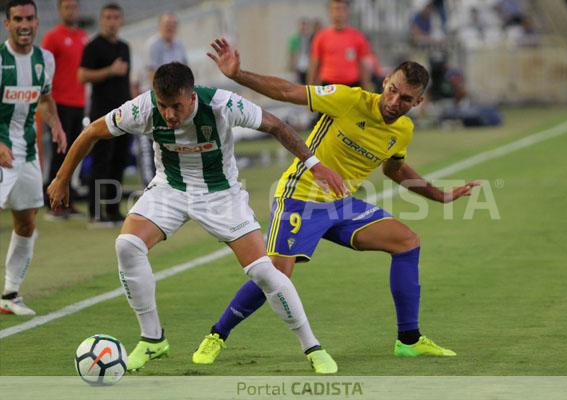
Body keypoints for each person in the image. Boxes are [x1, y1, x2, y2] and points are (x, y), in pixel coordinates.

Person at [194, 38, 479, 364]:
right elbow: (288, 92)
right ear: (385, 81)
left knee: (407, 243)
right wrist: (238, 74)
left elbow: (394, 169)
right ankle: (217, 335)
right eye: (393, 90)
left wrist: (439, 195)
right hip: (300, 196)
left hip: (342, 205)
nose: (395, 101)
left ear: (418, 101)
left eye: (406, 98)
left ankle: (409, 339)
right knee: (276, 275)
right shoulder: (347, 99)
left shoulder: (403, 130)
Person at [47, 62, 345, 373]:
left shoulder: (222, 104)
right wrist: (62, 177)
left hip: (221, 194)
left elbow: (277, 126)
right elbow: (93, 130)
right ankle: (152, 339)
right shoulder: (144, 107)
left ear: (191, 97)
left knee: (264, 273)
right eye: (163, 106)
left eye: (176, 106)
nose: (169, 114)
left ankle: (312, 346)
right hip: (170, 189)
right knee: (127, 245)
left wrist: (314, 164)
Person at [0, 0, 67, 315]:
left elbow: (45, 98)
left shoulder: (45, 60)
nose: (24, 25)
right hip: (1, 148)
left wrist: (55, 123)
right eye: (17, 19)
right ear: (7, 24)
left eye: (29, 18)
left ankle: (10, 295)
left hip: (27, 152)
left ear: (37, 22)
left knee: (26, 221)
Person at [78, 3, 131, 226]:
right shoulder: (93, 47)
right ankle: (95, 212)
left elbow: (125, 80)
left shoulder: (124, 47)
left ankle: (113, 210)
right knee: (101, 162)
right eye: (108, 17)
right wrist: (109, 70)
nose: (112, 22)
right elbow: (82, 76)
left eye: (115, 17)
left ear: (121, 21)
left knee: (118, 161)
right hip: (102, 114)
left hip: (124, 114)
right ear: (101, 20)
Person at [41, 0, 87, 219]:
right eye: (67, 7)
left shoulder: (82, 37)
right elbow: (43, 69)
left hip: (78, 102)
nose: (71, 11)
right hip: (59, 104)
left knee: (74, 154)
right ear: (60, 10)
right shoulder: (52, 37)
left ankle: (67, 201)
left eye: (74, 7)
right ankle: (52, 202)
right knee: (59, 153)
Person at [139, 12, 188, 186]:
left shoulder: (179, 46)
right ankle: (148, 183)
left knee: (172, 144)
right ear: (160, 25)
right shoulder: (153, 45)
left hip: (174, 104)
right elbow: (153, 75)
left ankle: (170, 183)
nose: (170, 27)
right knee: (150, 145)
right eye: (167, 24)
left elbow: (185, 74)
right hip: (156, 102)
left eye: (173, 24)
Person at [307, 0, 372, 90]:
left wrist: (366, 89)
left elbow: (363, 65)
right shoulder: (320, 37)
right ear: (329, 12)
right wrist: (310, 89)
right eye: (335, 9)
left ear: (347, 12)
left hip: (352, 86)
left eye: (342, 9)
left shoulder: (358, 37)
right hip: (328, 86)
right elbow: (314, 64)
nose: (338, 13)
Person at [288, 18, 311, 84]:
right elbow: (292, 52)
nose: (303, 27)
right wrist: (291, 64)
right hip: (299, 64)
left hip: (308, 64)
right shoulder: (295, 38)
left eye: (305, 25)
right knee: (300, 82)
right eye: (302, 25)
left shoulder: (310, 37)